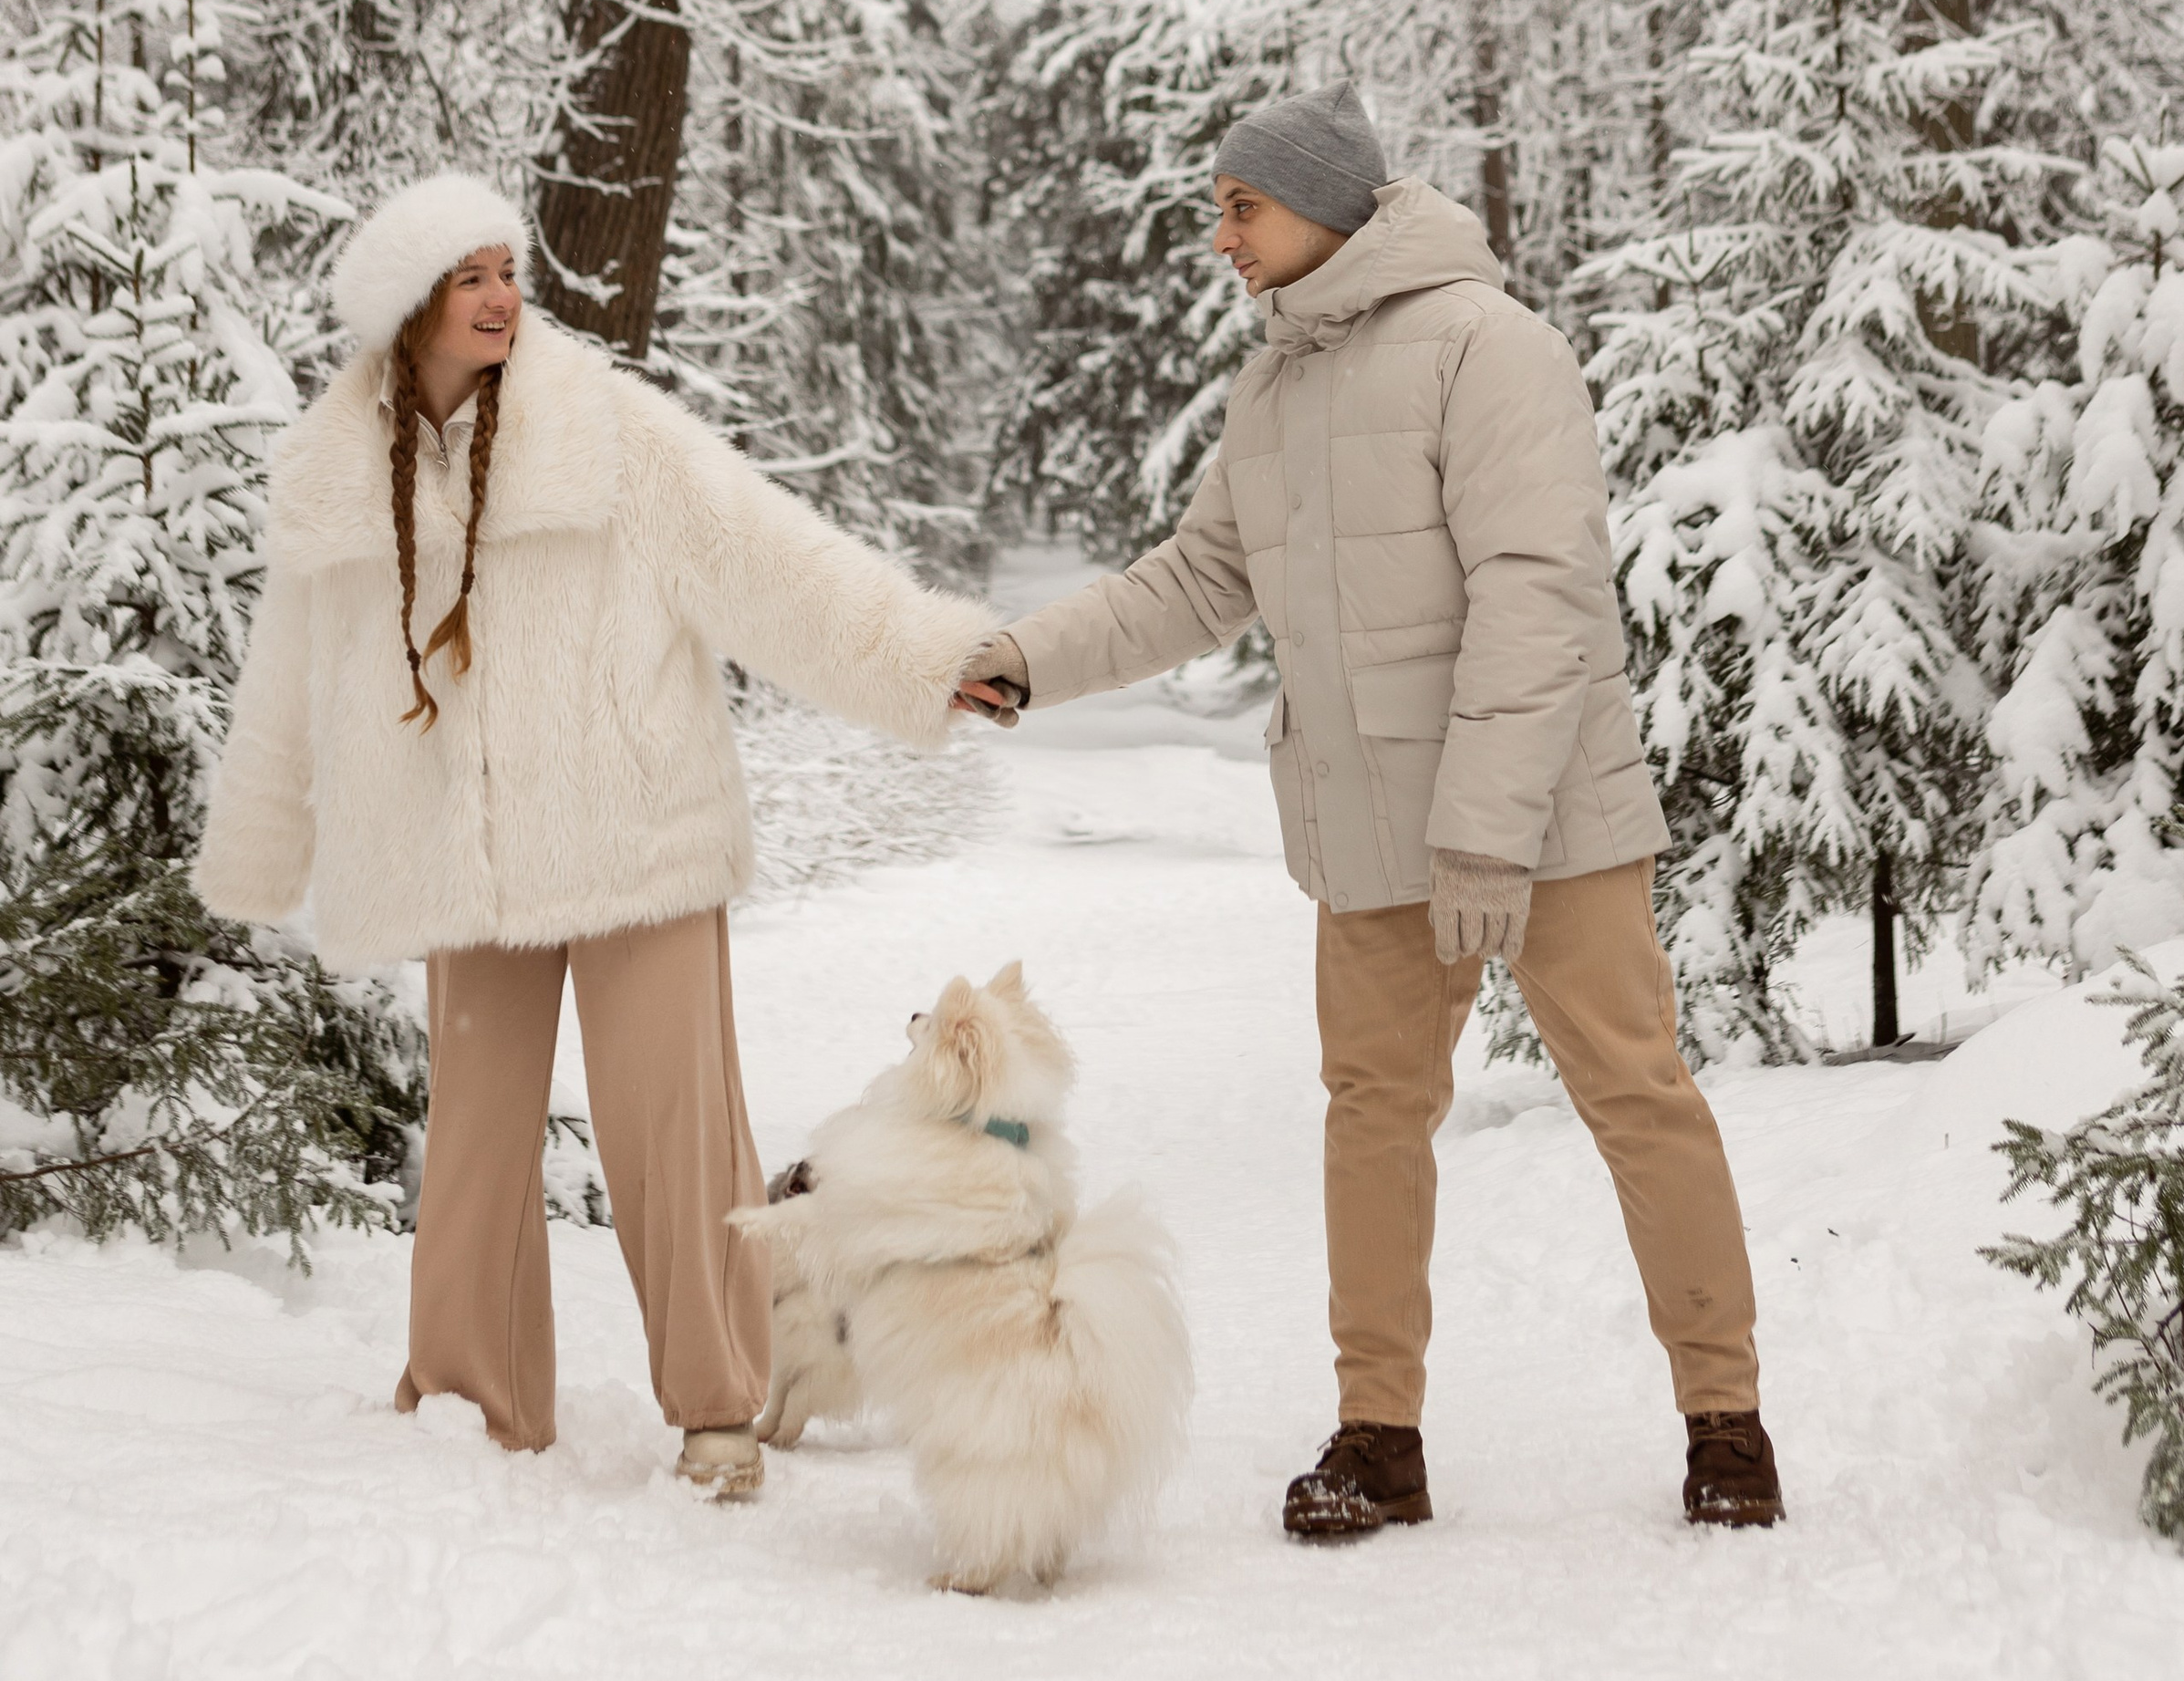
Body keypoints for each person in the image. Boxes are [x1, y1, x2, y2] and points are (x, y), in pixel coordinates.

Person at [957, 82, 1783, 1540]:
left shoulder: (1489, 347)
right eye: (1218, 209)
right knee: (1372, 1119)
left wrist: (1486, 832)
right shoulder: (1273, 390)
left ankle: (1728, 1425)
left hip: (1547, 822)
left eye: (1243, 207)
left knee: (1635, 1095)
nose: (1222, 237)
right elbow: (1195, 581)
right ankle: (1378, 1435)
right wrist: (1029, 658)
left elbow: (1540, 594)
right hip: (1370, 833)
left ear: (1327, 205)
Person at [196, 171, 1007, 1498]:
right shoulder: (332, 475)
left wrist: (926, 658)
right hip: (462, 862)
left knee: (676, 1136)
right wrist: (261, 846)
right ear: (408, 308)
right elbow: (284, 678)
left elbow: (768, 561)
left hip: (637, 838)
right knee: (474, 1145)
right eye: (470, 279)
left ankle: (721, 1410)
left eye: (508, 272)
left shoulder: (605, 431)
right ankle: (471, 1405)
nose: (502, 297)